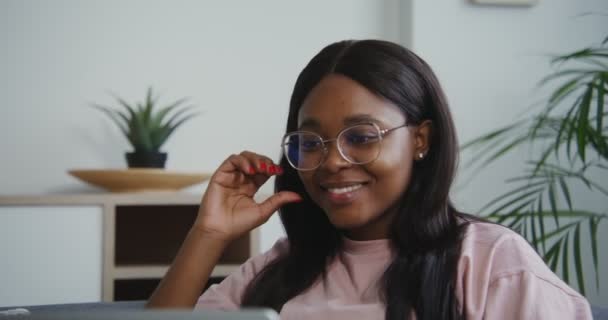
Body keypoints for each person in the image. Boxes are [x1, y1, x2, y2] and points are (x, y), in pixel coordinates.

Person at [146, 40, 592, 319]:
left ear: (421, 139)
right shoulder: (278, 269)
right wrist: (209, 233)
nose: (333, 162)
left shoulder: (492, 264)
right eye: (312, 141)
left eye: (361, 137)